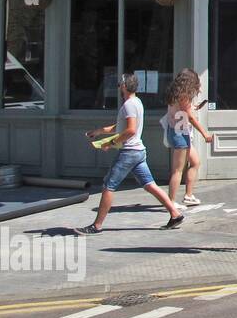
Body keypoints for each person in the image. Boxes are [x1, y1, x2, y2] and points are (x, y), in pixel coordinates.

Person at [80, 73, 185, 233]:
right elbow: (122, 126)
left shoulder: (129, 105)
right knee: (150, 184)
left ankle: (97, 225)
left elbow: (130, 130)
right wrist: (99, 131)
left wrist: (111, 143)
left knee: (109, 185)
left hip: (129, 153)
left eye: (120, 84)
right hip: (138, 152)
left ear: (124, 86)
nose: (118, 87)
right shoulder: (136, 102)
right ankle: (175, 214)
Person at [161, 69, 213, 207]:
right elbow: (189, 116)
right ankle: (171, 202)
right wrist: (204, 133)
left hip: (178, 132)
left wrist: (193, 107)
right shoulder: (184, 95)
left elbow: (184, 110)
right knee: (177, 170)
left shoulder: (176, 93)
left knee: (195, 162)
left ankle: (188, 195)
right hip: (180, 134)